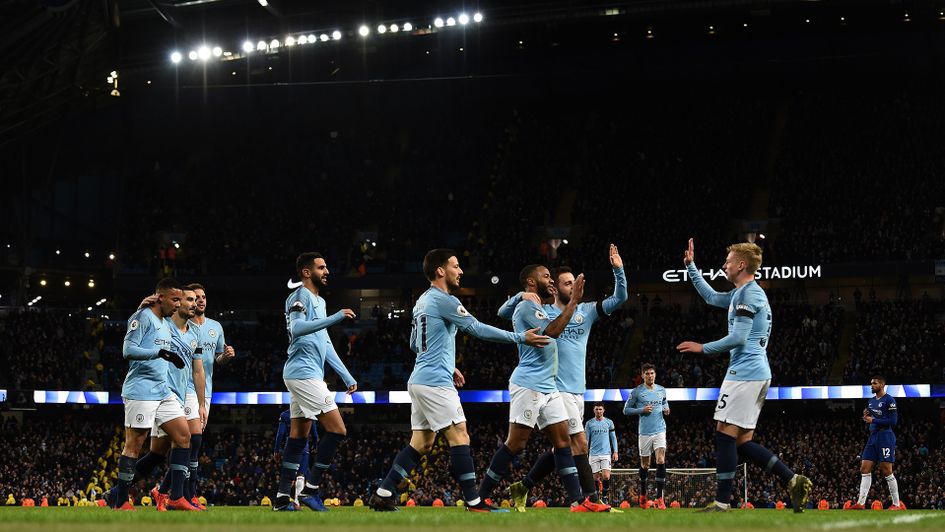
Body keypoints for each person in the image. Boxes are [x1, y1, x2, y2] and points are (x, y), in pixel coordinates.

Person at [369, 249, 550, 512]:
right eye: (455, 266)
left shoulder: (422, 301)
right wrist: (521, 337)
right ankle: (474, 502)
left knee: (422, 442)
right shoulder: (444, 300)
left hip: (420, 379)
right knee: (460, 436)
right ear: (440, 271)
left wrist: (448, 364)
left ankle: (384, 493)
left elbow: (414, 343)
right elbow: (476, 328)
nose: (461, 271)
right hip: (434, 382)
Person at [676, 239, 811, 512]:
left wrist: (703, 348)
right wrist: (691, 267)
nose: (724, 265)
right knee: (742, 442)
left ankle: (721, 503)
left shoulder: (750, 294)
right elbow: (712, 297)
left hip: (745, 372)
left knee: (724, 434)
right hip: (755, 372)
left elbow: (738, 337)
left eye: (728, 261)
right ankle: (793, 479)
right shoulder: (743, 293)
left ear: (741, 265)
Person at [502, 244, 627, 511]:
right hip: (553, 388)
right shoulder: (543, 313)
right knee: (579, 442)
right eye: (567, 283)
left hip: (577, 388)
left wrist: (619, 271)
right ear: (555, 288)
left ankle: (523, 486)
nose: (574, 286)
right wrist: (519, 295)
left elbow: (620, 299)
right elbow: (506, 313)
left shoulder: (587, 312)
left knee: (565, 446)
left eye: (574, 282)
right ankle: (590, 499)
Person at [477, 264, 607, 512]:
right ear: (530, 281)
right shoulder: (526, 306)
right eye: (546, 276)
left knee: (562, 443)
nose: (551, 280)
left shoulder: (537, 306)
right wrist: (573, 302)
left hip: (550, 386)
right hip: (529, 383)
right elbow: (553, 331)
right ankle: (479, 498)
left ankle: (578, 501)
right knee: (516, 444)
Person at [275, 252, 358, 512]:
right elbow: (297, 329)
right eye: (322, 267)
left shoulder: (319, 302)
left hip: (306, 374)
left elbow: (325, 343)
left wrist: (346, 375)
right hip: (303, 374)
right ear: (306, 272)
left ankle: (280, 499)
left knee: (299, 436)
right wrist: (337, 317)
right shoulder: (299, 297)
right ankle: (311, 489)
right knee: (337, 430)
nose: (327, 271)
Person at [113, 278, 197, 511]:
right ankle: (120, 501)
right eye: (175, 299)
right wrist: (158, 353)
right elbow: (127, 350)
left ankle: (176, 497)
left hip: (163, 390)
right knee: (134, 445)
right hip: (141, 390)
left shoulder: (165, 322)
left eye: (180, 299)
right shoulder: (143, 318)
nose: (178, 304)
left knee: (183, 437)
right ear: (161, 298)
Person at [184, 283, 234, 508]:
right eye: (197, 297)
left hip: (205, 392)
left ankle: (174, 491)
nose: (201, 300)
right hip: (183, 389)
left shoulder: (215, 327)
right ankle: (181, 492)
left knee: (192, 444)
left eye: (204, 297)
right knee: (190, 441)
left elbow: (216, 361)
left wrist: (226, 356)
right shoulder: (182, 326)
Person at [848, 375, 903, 510]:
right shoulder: (871, 401)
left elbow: (893, 422)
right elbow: (872, 418)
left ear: (882, 385)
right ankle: (861, 503)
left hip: (885, 436)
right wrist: (866, 417)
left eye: (875, 383)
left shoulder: (889, 400)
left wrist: (873, 421)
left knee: (886, 470)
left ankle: (896, 504)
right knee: (864, 468)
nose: (871, 385)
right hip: (873, 437)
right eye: (871, 383)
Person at [624, 363, 669, 509]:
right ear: (642, 375)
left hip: (660, 430)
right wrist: (641, 409)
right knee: (645, 465)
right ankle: (643, 493)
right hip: (644, 432)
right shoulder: (637, 392)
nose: (650, 376)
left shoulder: (661, 390)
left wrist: (666, 408)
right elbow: (626, 410)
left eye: (652, 373)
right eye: (647, 373)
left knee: (661, 460)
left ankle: (659, 498)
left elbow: (664, 402)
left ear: (655, 374)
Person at [274, 409, 318, 501]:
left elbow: (280, 434)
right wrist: (315, 445)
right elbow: (314, 434)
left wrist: (276, 450)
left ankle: (282, 500)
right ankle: (298, 501)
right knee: (301, 475)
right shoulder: (309, 412)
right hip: (303, 445)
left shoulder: (285, 415)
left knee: (287, 475)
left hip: (289, 445)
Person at [584, 403, 618, 503]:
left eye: (600, 409)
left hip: (606, 453)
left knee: (606, 476)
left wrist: (615, 451)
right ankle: (597, 499)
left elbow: (613, 438)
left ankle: (604, 497)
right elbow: (586, 440)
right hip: (593, 454)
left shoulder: (609, 422)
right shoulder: (589, 423)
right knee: (595, 478)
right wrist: (585, 453)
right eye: (597, 409)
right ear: (593, 410)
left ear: (603, 410)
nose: (598, 411)